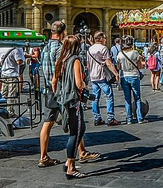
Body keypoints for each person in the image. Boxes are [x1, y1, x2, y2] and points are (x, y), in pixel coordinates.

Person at [38, 21, 99, 168]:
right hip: (63, 91)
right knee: (76, 122)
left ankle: (44, 156)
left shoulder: (45, 48)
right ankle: (79, 154)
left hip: (50, 90)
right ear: (63, 32)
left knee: (48, 124)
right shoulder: (61, 49)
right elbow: (62, 71)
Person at [52, 35, 87, 179]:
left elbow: (53, 82)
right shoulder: (76, 60)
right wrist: (84, 87)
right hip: (73, 101)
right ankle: (71, 168)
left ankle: (68, 162)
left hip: (63, 100)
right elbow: (79, 83)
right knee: (76, 132)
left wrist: (59, 96)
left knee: (80, 128)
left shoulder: (60, 61)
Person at [87, 31, 120, 126]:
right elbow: (108, 63)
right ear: (100, 39)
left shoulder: (90, 49)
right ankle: (110, 118)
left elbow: (88, 65)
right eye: (104, 38)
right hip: (102, 75)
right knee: (109, 96)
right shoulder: (103, 48)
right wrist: (116, 73)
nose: (105, 40)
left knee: (95, 98)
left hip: (93, 76)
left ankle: (97, 118)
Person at [116, 35, 146, 124]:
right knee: (137, 98)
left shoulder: (120, 54)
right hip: (134, 76)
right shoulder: (135, 53)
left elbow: (119, 67)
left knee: (127, 98)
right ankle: (140, 118)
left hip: (124, 77)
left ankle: (128, 119)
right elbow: (140, 65)